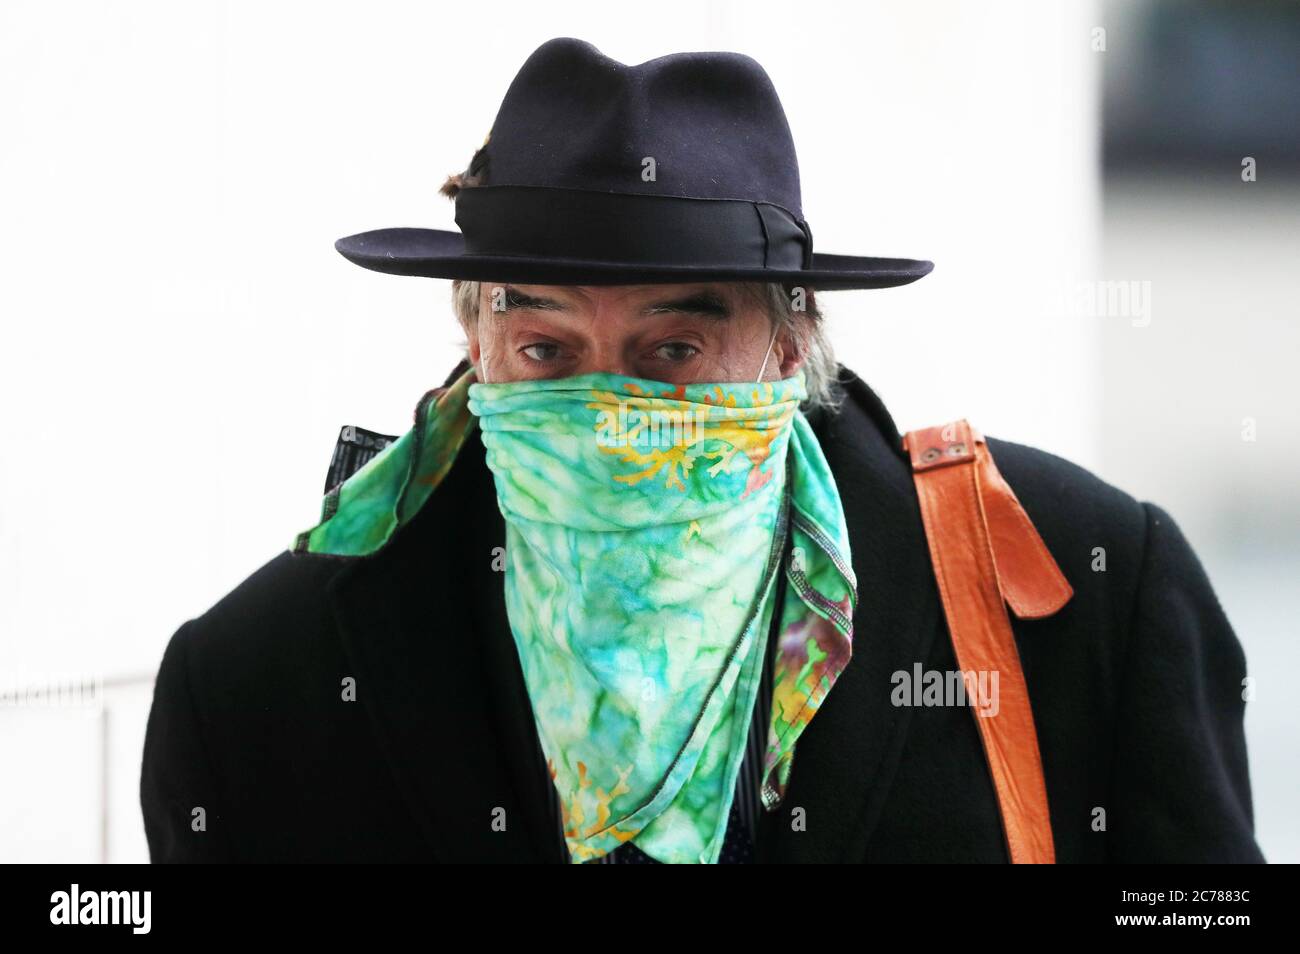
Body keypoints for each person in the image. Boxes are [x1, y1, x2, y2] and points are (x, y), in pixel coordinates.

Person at [140, 37, 1265, 863]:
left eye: (673, 345)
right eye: (544, 347)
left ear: (789, 344)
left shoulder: (1076, 589)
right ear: (473, 339)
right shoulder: (255, 686)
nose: (610, 405)